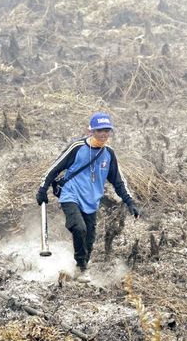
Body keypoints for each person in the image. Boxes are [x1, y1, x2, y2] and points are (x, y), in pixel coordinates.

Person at [36, 112, 140, 273]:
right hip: (71, 194)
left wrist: (130, 202)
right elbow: (54, 168)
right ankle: (81, 264)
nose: (104, 134)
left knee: (89, 239)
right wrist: (43, 189)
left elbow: (119, 182)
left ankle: (81, 269)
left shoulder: (109, 154)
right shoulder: (77, 148)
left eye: (107, 130)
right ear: (91, 131)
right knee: (79, 228)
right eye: (100, 130)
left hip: (92, 201)